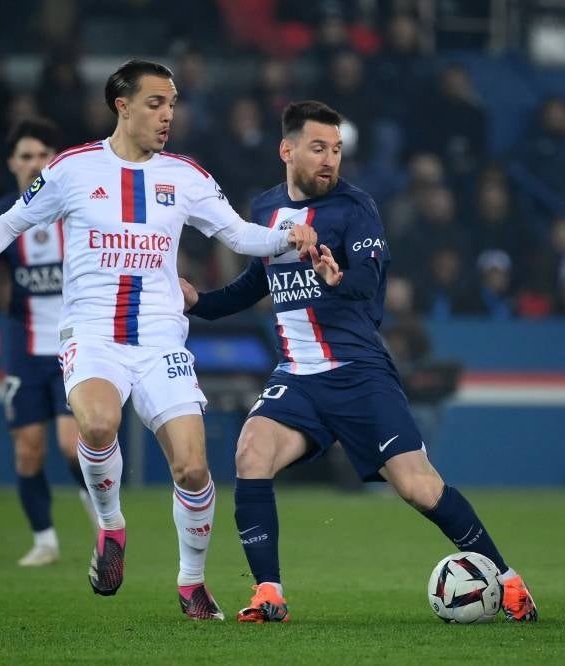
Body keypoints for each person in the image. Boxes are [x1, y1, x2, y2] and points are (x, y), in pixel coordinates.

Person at [0, 59, 317, 620]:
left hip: (160, 337)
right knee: (99, 423)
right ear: (122, 105)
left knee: (194, 470)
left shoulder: (185, 176)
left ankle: (191, 583)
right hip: (92, 332)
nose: (167, 115)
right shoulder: (71, 169)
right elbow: (11, 222)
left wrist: (287, 234)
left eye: (173, 104)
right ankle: (110, 525)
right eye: (156, 103)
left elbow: (237, 233)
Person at [181, 100, 537, 623]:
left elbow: (372, 285)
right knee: (250, 453)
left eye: (337, 150)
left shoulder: (356, 208)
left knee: (419, 487)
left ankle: (509, 583)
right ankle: (269, 594)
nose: (329, 160)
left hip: (358, 373)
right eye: (318, 148)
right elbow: (257, 283)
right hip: (297, 378)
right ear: (288, 149)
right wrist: (200, 303)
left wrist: (337, 277)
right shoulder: (264, 210)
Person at [0, 117, 100, 566]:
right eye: (25, 156)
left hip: (73, 346)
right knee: (27, 449)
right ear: (12, 163)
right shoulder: (3, 216)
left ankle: (102, 517)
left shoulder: (76, 209)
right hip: (24, 348)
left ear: (55, 161)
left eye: (43, 155)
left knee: (69, 443)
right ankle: (44, 541)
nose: (34, 163)